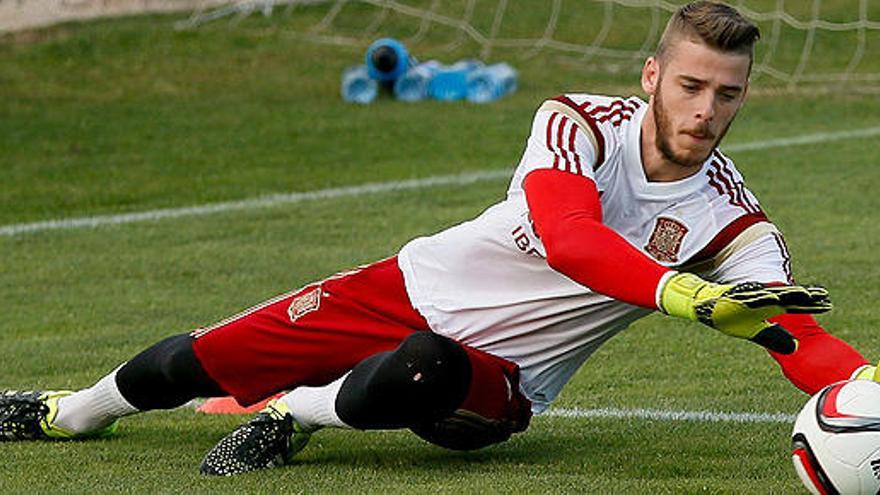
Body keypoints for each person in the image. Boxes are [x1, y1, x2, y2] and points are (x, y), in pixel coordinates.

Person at [0, 0, 871, 476]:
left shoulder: (734, 218)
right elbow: (569, 236)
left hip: (493, 383)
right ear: (652, 76)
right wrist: (681, 290)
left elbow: (791, 331)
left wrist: (866, 385)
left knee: (429, 364)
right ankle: (65, 413)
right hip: (407, 286)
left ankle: (293, 414)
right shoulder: (576, 123)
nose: (706, 110)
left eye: (728, 94)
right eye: (690, 86)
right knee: (189, 364)